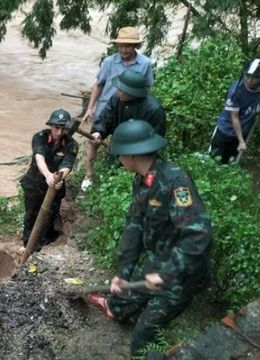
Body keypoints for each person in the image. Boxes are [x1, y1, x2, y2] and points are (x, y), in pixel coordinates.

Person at [87, 120, 213, 359]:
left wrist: (167, 275)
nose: (118, 159)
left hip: (181, 275)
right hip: (158, 260)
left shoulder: (176, 183)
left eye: (120, 155)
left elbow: (199, 237)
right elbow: (133, 227)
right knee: (122, 296)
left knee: (144, 337)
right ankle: (115, 309)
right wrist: (123, 272)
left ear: (131, 155)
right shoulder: (143, 181)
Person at [83, 69, 166, 190]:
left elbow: (155, 140)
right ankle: (90, 176)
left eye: (121, 89)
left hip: (141, 158)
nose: (117, 91)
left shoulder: (154, 110)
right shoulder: (116, 99)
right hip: (118, 150)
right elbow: (105, 119)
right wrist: (98, 132)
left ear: (132, 92)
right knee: (110, 179)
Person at [20, 109, 79, 249]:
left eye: (63, 128)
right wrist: (48, 175)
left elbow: (67, 165)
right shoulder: (39, 137)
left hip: (56, 185)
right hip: (35, 182)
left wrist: (57, 179)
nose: (59, 132)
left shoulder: (72, 144)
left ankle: (43, 244)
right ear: (50, 126)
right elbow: (39, 157)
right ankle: (27, 244)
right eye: (56, 127)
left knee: (50, 215)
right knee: (31, 214)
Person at [209, 58, 260, 164]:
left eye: (254, 77)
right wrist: (241, 141)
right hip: (225, 131)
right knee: (213, 161)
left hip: (243, 132)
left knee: (230, 163)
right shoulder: (236, 91)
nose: (249, 80)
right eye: (247, 75)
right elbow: (234, 117)